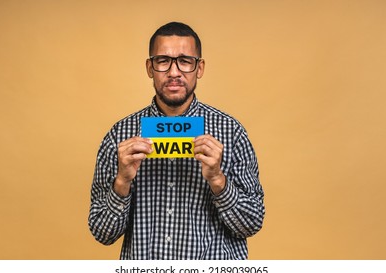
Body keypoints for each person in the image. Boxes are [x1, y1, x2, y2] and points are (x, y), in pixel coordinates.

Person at [88, 22, 265, 260]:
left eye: (185, 61)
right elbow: (102, 233)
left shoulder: (231, 132)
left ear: (199, 68)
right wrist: (122, 182)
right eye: (163, 61)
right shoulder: (120, 136)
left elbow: (252, 223)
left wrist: (218, 180)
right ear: (150, 68)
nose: (174, 72)